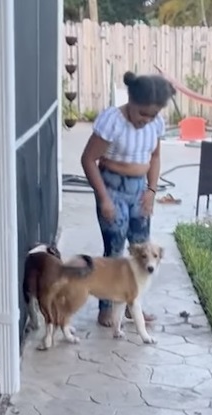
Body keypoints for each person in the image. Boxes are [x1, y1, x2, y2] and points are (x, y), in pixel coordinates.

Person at [80, 71, 176, 327]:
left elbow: (155, 157)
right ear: (130, 101)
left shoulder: (155, 124)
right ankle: (107, 308)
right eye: (142, 113)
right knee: (114, 250)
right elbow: (88, 160)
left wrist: (151, 191)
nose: (147, 120)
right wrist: (103, 198)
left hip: (139, 191)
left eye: (153, 115)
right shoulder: (113, 121)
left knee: (141, 249)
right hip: (112, 189)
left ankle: (133, 305)